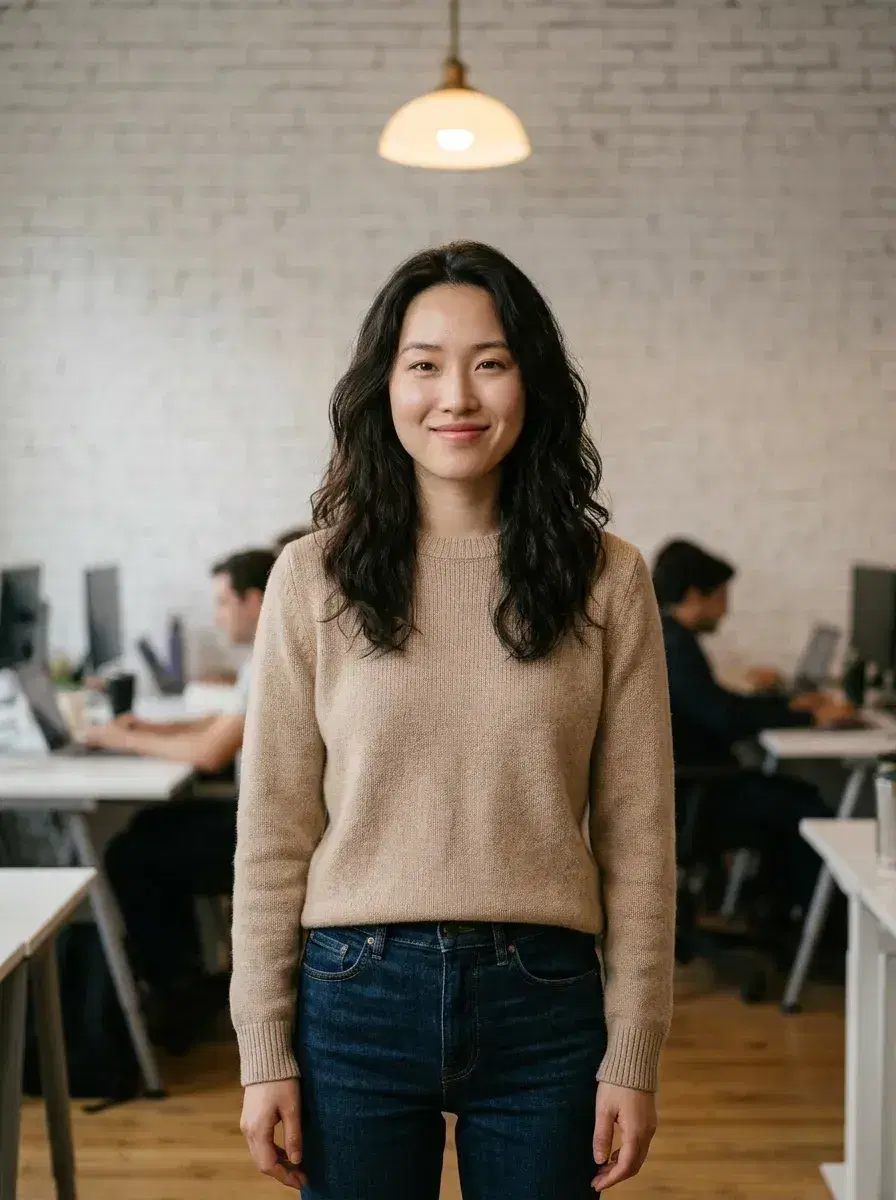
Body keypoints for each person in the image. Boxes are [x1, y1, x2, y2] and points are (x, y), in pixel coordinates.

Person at [232, 242, 676, 1197]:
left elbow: (641, 839)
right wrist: (264, 1047)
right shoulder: (312, 578)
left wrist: (634, 1050)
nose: (457, 397)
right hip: (352, 996)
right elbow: (273, 830)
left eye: (491, 361)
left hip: (547, 1002)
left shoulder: (610, 578)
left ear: (532, 382)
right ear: (383, 387)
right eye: (424, 364)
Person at [87, 548, 276, 1049]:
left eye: (221, 603)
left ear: (253, 601)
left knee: (133, 856)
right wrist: (148, 726)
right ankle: (186, 980)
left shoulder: (271, 654)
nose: (216, 617)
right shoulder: (261, 652)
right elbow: (221, 725)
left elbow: (211, 753)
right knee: (150, 824)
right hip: (254, 809)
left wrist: (124, 740)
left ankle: (177, 992)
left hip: (266, 829)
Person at [652, 538, 852, 914]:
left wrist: (776, 701)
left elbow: (713, 705)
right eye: (722, 597)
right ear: (696, 594)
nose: (726, 611)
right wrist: (804, 714)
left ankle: (778, 915)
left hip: (690, 789)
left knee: (788, 797)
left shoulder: (668, 636)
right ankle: (822, 929)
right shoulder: (676, 646)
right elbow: (724, 716)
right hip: (698, 796)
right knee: (806, 806)